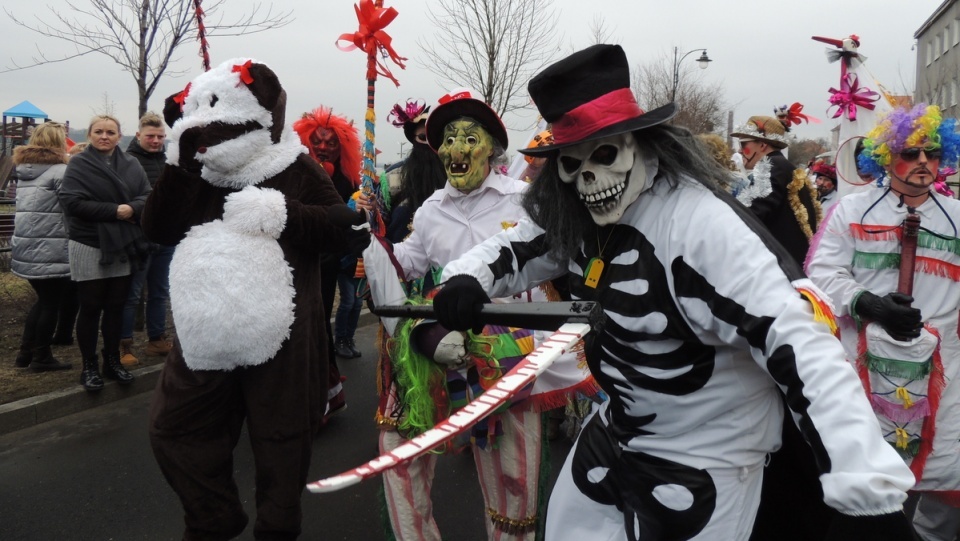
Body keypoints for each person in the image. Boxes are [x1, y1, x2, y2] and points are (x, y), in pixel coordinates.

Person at [429, 44, 918, 541]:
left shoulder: (700, 226)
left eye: (604, 154)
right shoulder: (577, 205)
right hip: (616, 426)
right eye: (571, 163)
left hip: (708, 452)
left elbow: (797, 341)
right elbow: (516, 246)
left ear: (644, 146)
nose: (589, 177)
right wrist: (467, 280)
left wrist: (866, 489)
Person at [351, 88, 597, 541]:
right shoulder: (429, 211)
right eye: (446, 139)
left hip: (508, 354)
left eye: (468, 137)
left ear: (491, 147)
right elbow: (409, 264)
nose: (455, 148)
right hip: (442, 343)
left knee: (513, 478)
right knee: (398, 450)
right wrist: (369, 240)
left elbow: (556, 254)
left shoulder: (524, 199)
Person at [144, 58, 357, 540]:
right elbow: (157, 229)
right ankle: (211, 519)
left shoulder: (293, 165)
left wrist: (282, 213)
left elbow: (340, 230)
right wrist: (178, 168)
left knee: (281, 440)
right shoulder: (196, 169)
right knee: (173, 430)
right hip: (206, 332)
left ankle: (277, 529)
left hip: (282, 334)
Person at [806, 103, 960, 541]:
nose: (923, 163)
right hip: (864, 371)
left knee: (941, 479)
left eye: (931, 153)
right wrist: (870, 304)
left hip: (944, 375)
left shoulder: (958, 217)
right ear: (886, 156)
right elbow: (822, 274)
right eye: (911, 153)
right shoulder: (852, 210)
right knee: (869, 481)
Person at [59, 115, 150, 392]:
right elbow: (71, 201)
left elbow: (147, 195)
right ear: (90, 134)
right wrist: (116, 210)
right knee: (90, 307)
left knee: (116, 306)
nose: (104, 136)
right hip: (88, 243)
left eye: (110, 132)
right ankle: (89, 366)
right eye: (98, 131)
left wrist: (132, 208)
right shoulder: (79, 164)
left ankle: (112, 361)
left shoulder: (131, 164)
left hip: (121, 244)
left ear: (118, 135)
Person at [292, 106, 361, 420]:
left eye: (331, 143)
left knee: (317, 321)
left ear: (341, 147)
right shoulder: (293, 172)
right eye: (317, 141)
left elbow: (349, 225)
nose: (322, 147)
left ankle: (323, 391)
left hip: (326, 263)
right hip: (293, 261)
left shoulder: (347, 180)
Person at [10, 121, 73, 371]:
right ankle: (42, 356)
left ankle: (25, 352)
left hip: (27, 247)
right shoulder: (60, 171)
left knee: (43, 301)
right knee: (50, 304)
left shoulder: (26, 170)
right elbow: (71, 207)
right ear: (59, 142)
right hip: (51, 247)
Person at [119, 112, 173, 366]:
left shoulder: (167, 161)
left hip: (166, 236)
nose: (155, 141)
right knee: (132, 294)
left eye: (160, 136)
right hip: (138, 237)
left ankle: (156, 339)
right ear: (138, 135)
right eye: (150, 136)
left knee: (160, 293)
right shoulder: (127, 162)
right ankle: (124, 344)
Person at [731, 116, 821, 265]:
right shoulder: (780, 165)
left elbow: (750, 215)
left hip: (779, 265)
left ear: (762, 146)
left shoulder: (770, 166)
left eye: (744, 144)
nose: (740, 151)